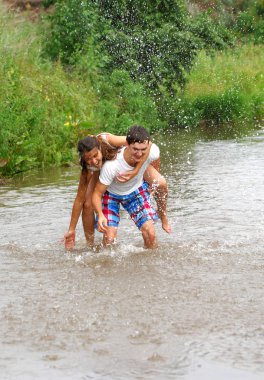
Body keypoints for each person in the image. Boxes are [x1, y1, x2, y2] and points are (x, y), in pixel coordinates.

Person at [92, 125, 171, 249]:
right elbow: (97, 194)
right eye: (135, 149)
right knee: (109, 239)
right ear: (127, 144)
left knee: (150, 233)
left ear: (148, 145)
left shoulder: (153, 151)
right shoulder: (112, 166)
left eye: (143, 149)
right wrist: (100, 214)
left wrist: (151, 182)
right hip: (111, 195)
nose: (139, 154)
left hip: (136, 192)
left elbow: (155, 160)